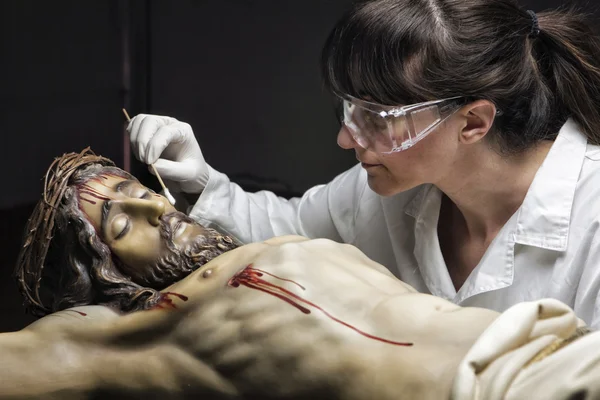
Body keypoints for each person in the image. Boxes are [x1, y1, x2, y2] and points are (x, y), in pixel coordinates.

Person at [127, 0, 600, 328]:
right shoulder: (386, 191)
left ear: (473, 121)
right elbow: (283, 234)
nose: (344, 139)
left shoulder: (592, 220)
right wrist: (201, 181)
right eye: (350, 112)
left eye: (377, 118)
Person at [6, 148, 600, 399]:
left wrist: (205, 181)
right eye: (119, 226)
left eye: (140, 191)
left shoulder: (289, 242)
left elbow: (288, 214)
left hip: (558, 352)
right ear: (109, 278)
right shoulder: (137, 327)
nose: (157, 209)